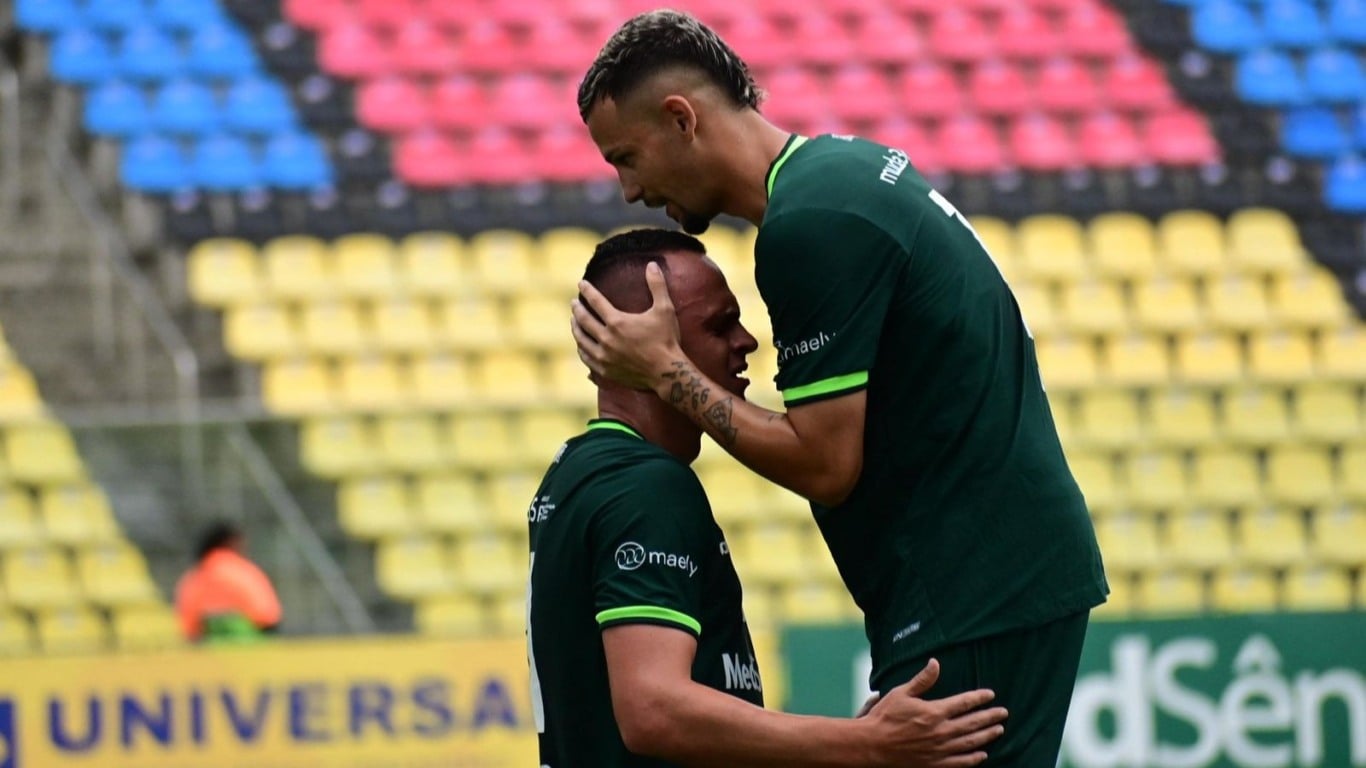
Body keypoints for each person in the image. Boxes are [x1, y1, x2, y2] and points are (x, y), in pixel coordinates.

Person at [569, 11, 1109, 766]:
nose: (629, 189)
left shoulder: (809, 224)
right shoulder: (843, 170)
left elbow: (826, 464)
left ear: (681, 118)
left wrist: (665, 371)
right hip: (986, 576)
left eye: (627, 156)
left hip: (972, 585)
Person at [529, 228, 1008, 768]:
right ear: (643, 342)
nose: (746, 341)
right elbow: (652, 710)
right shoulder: (645, 485)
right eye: (718, 324)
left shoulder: (575, 473)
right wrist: (867, 746)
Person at [174, 520, 282, 644]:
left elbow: (189, 627)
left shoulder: (194, 577)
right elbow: (268, 615)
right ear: (231, 542)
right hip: (252, 644)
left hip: (208, 647)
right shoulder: (243, 571)